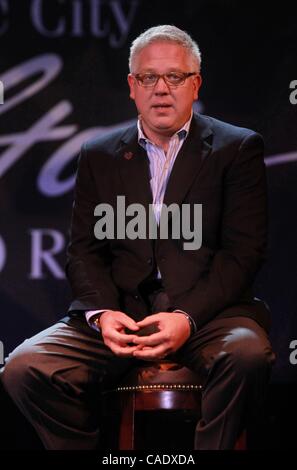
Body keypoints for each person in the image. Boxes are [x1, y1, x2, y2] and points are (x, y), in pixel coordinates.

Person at [0, 25, 275, 450]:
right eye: (148, 77)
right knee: (24, 367)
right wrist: (103, 314)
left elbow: (243, 253)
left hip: (208, 317)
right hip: (124, 317)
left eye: (175, 77)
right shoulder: (99, 154)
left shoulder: (236, 149)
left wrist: (187, 318)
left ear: (195, 83)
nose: (161, 89)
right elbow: (84, 252)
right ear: (132, 86)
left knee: (246, 355)